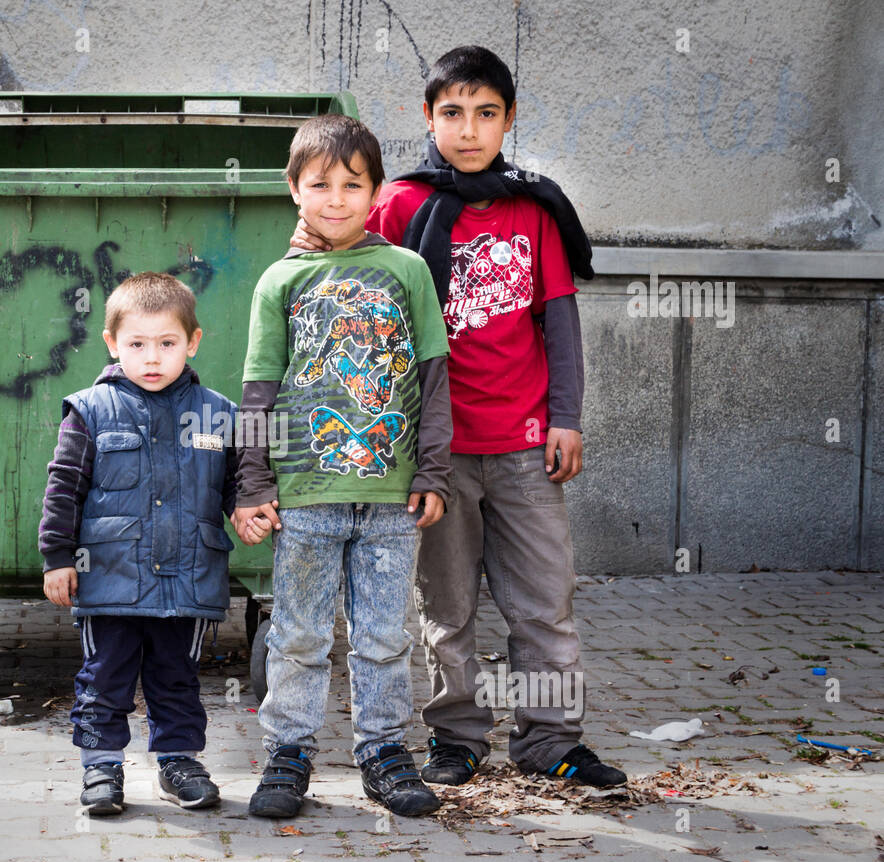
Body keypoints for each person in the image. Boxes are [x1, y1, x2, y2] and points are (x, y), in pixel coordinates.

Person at [292, 45, 626, 788]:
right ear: (428, 118)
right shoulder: (399, 204)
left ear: (508, 120)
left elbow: (560, 322)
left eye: (485, 114)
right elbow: (338, 261)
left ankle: (550, 739)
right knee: (446, 607)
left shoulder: (534, 209)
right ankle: (456, 736)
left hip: (525, 443)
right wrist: (309, 245)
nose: (469, 130)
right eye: (452, 113)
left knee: (544, 603)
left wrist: (566, 416)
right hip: (433, 450)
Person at [233, 113, 454, 819]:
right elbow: (259, 389)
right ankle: (288, 755)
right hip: (306, 496)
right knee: (298, 634)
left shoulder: (407, 271)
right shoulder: (280, 281)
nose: (335, 199)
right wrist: (254, 482)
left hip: (392, 500)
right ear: (294, 190)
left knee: (385, 637)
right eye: (319, 184)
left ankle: (384, 753)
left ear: (376, 190)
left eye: (351, 185)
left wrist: (432, 472)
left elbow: (434, 379)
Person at [39, 272, 239, 815]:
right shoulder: (90, 411)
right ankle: (101, 768)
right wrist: (58, 558)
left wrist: (249, 508)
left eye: (167, 343)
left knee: (176, 677)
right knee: (104, 678)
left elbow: (238, 481)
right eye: (137, 345)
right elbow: (64, 488)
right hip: (109, 579)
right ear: (112, 344)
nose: (152, 358)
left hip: (187, 580)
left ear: (193, 342)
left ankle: (179, 762)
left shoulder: (218, 412)